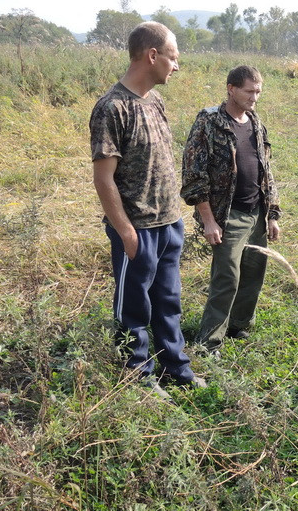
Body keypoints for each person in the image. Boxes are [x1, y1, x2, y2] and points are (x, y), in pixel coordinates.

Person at [90, 21, 202, 394]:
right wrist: (124, 231)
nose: (176, 65)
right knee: (133, 310)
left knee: (169, 304)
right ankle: (137, 379)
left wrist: (178, 217)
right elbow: (104, 179)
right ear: (152, 55)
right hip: (136, 230)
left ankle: (177, 369)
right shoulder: (112, 108)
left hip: (170, 224)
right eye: (173, 57)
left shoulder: (156, 101)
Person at [181, 65, 282, 353]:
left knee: (253, 275)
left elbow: (266, 170)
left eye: (258, 91)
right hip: (229, 216)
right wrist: (209, 220)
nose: (254, 97)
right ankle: (209, 342)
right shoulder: (209, 121)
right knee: (227, 279)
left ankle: (238, 327)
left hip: (257, 214)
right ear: (231, 88)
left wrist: (272, 213)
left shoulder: (254, 121)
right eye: (249, 91)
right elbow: (194, 174)